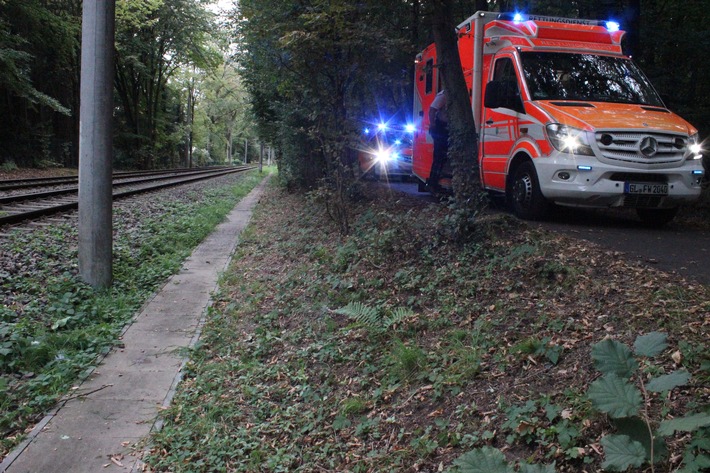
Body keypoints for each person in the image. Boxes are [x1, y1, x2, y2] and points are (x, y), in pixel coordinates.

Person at [428, 88, 448, 190]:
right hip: (441, 128)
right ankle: (433, 182)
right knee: (439, 155)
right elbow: (432, 110)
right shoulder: (443, 95)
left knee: (443, 156)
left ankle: (438, 180)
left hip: (445, 127)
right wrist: (433, 125)